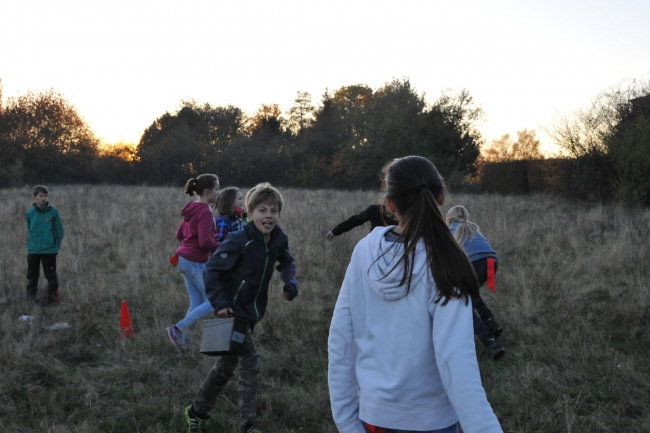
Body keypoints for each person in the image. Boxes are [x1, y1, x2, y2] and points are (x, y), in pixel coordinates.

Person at [328, 156, 503, 433]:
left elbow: (341, 341)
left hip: (371, 419)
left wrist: (348, 422)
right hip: (433, 423)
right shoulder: (445, 260)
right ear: (442, 196)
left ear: (389, 204)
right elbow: (456, 361)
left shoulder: (364, 251)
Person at [184, 182, 298, 433]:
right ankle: (248, 425)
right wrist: (222, 304)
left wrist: (290, 282)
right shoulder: (240, 239)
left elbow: (287, 261)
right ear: (249, 213)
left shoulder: (278, 238)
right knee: (251, 361)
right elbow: (212, 270)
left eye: (273, 211)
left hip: (253, 312)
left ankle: (196, 412)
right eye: (262, 210)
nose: (268, 216)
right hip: (232, 312)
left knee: (225, 368)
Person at [166, 174, 220, 352]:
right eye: (217, 189)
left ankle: (183, 340)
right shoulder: (204, 211)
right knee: (215, 299)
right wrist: (225, 245)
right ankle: (178, 328)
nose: (218, 193)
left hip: (184, 260)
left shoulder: (192, 208)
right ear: (208, 191)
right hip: (195, 262)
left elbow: (180, 235)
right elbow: (205, 243)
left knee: (196, 302)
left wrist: (190, 243)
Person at [446, 205, 505, 360]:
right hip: (492, 262)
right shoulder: (473, 228)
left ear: (450, 219)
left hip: (474, 264)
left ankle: (490, 342)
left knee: (463, 304)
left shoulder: (450, 230)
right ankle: (491, 322)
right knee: (470, 293)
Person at [26, 185, 65, 304]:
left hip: (49, 250)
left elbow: (60, 231)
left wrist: (54, 244)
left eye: (45, 196)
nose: (43, 198)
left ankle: (52, 298)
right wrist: (32, 244)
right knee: (32, 275)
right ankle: (31, 298)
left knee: (50, 275)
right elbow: (29, 229)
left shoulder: (53, 213)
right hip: (33, 250)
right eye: (41, 196)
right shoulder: (30, 213)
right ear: (34, 197)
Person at [326, 201, 397, 241]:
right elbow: (355, 220)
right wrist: (335, 231)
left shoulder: (402, 216)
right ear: (385, 202)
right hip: (374, 247)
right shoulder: (374, 210)